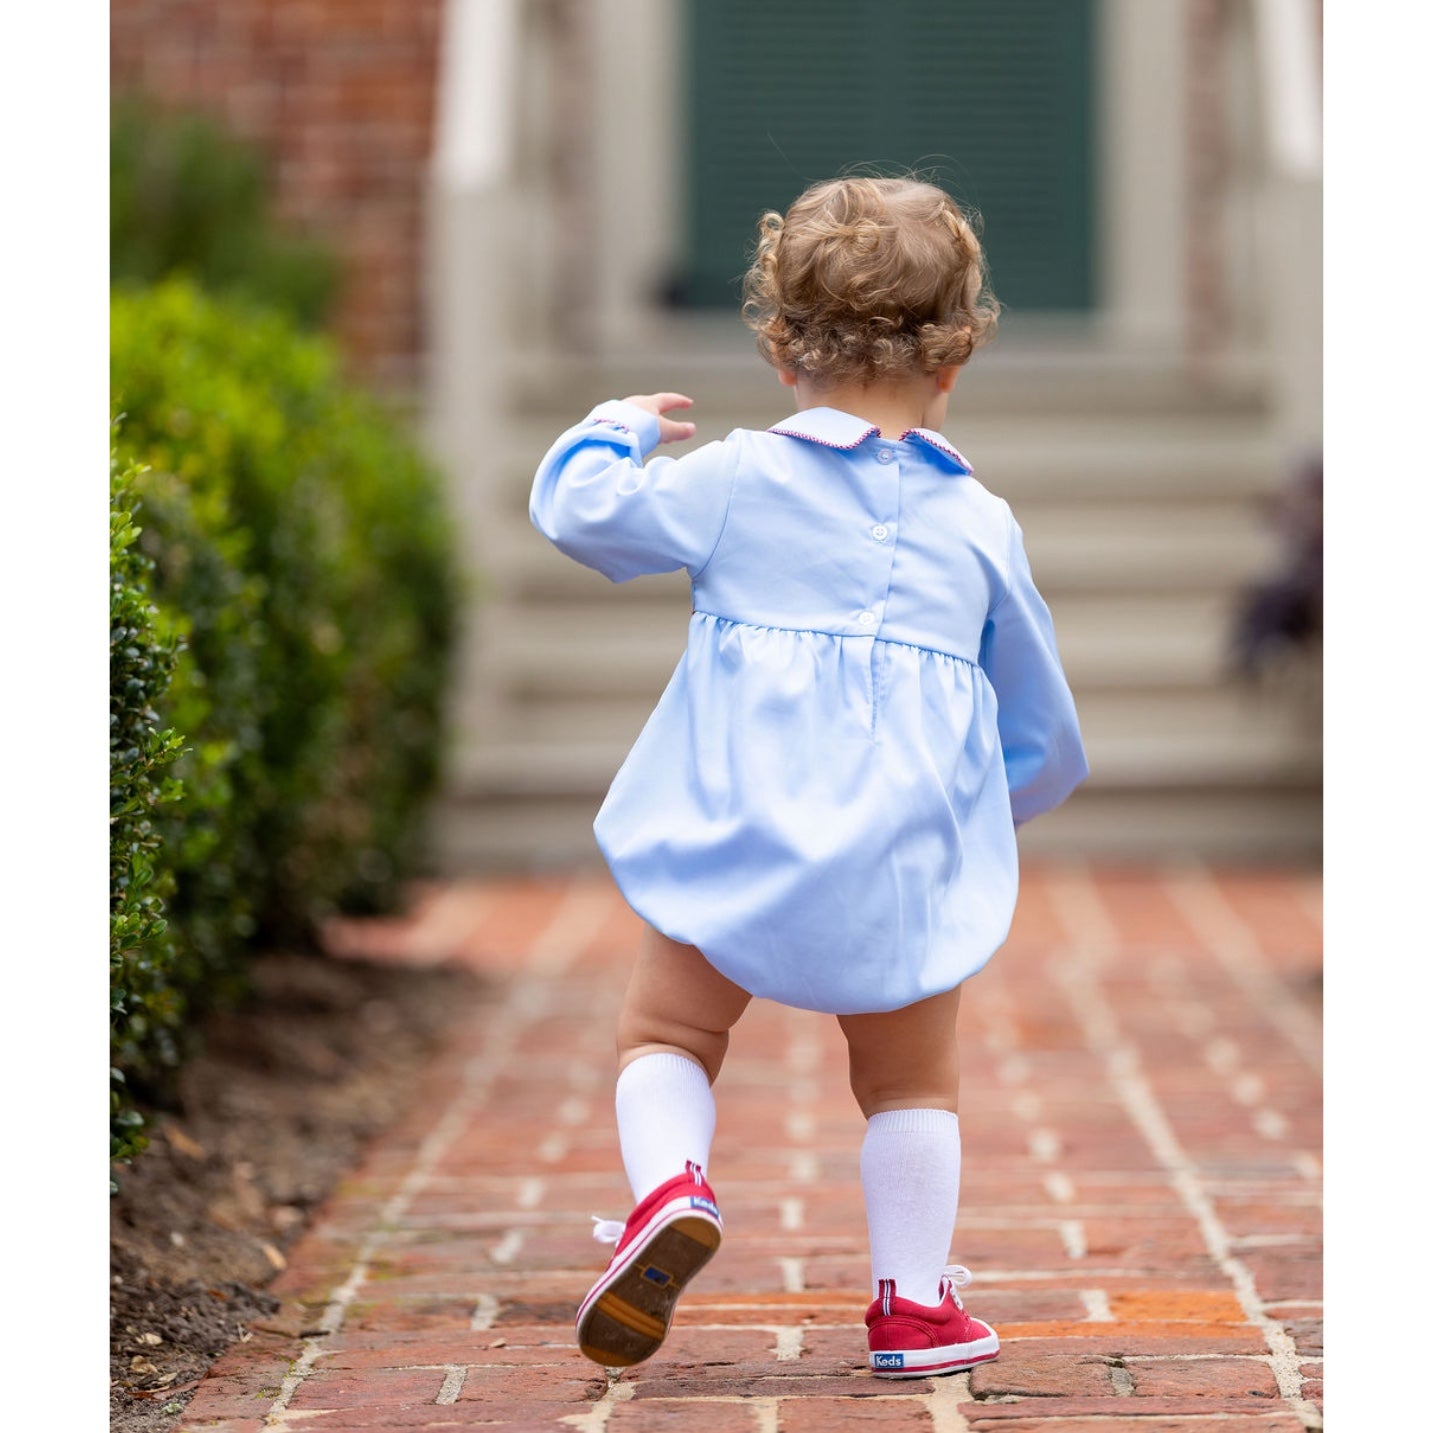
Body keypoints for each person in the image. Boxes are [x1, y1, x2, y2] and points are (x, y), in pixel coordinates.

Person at [529, 174, 1088, 1378]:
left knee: (667, 1026)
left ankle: (668, 1188)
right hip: (894, 856)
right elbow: (1035, 712)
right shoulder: (978, 521)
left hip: (736, 828)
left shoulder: (735, 477)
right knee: (908, 1078)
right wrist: (994, 808)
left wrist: (613, 427)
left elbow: (587, 517)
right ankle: (912, 1304)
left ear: (783, 350)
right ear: (954, 360)